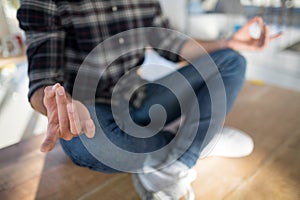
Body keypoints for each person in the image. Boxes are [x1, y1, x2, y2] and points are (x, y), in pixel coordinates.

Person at [17, 1, 282, 199]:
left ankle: (179, 157)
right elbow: (43, 79)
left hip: (142, 98)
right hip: (88, 111)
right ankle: (199, 141)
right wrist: (55, 103)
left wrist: (228, 41)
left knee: (231, 59)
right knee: (85, 145)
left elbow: (171, 44)